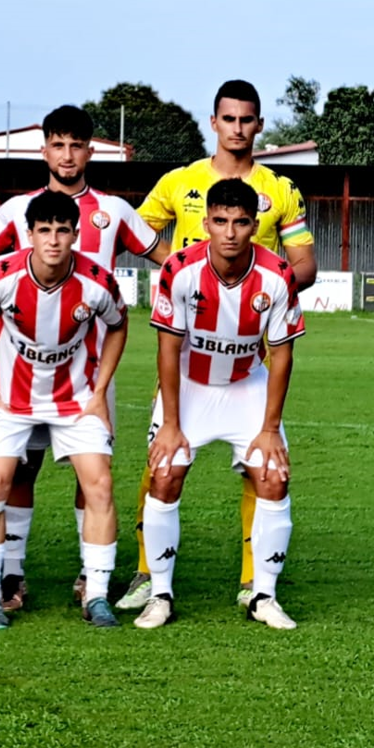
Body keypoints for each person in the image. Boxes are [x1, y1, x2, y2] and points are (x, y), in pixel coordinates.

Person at [117, 79, 317, 612]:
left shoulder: (280, 188)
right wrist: (181, 276)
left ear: (258, 125)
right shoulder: (179, 182)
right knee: (162, 464)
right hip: (187, 349)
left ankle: (258, 586)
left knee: (266, 470)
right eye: (228, 119)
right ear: (215, 122)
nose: (237, 128)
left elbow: (305, 265)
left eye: (246, 119)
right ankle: (148, 578)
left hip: (249, 346)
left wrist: (259, 297)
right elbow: (135, 232)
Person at [0, 105, 169, 609]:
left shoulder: (114, 212)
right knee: (18, 472)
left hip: (85, 379)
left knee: (92, 477)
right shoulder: (17, 210)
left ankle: (91, 576)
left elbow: (167, 260)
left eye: (76, 145)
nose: (67, 155)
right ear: (44, 150)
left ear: (90, 151)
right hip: (18, 376)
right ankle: (11, 577)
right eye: (57, 145)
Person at [136, 178, 303, 630]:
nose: (230, 232)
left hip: (246, 384)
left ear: (254, 225)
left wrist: (270, 428)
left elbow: (283, 353)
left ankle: (263, 596)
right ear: (206, 222)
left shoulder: (277, 275)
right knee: (166, 473)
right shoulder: (179, 269)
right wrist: (171, 423)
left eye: (241, 223)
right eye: (221, 221)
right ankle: (161, 595)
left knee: (273, 477)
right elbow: (167, 348)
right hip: (190, 386)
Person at [0, 190, 129, 629]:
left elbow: (118, 326)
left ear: (76, 234)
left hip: (76, 400)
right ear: (30, 234)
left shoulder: (97, 281)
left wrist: (99, 392)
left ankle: (96, 595)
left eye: (63, 231)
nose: (54, 241)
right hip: (12, 399)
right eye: (45, 231)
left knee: (99, 485)